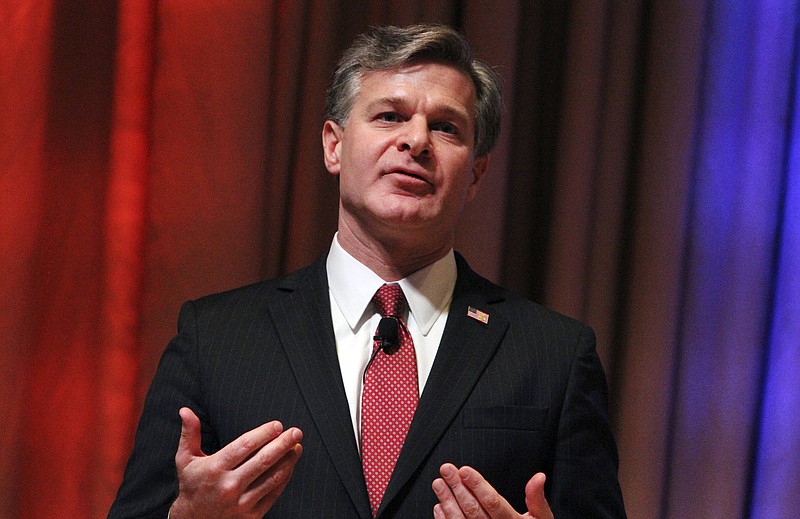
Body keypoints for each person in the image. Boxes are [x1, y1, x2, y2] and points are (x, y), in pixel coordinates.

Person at [108, 24, 626, 518]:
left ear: (476, 174)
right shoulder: (215, 338)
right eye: (389, 117)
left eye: (446, 128)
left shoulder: (555, 357)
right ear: (334, 145)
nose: (417, 141)